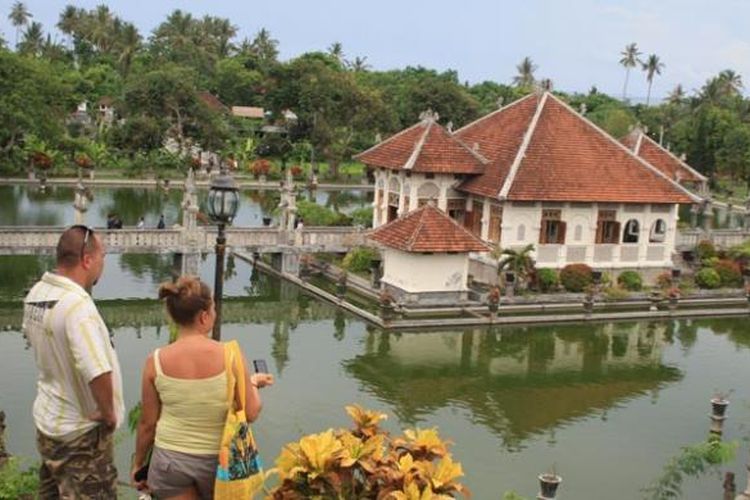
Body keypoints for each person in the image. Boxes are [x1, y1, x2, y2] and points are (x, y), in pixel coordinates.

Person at [132, 276, 273, 499]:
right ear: (204, 316)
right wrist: (253, 384)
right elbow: (252, 411)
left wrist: (138, 462)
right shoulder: (231, 355)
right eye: (214, 309)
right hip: (219, 463)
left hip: (170, 462)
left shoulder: (155, 360)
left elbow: (148, 423)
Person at [22, 225, 124, 498]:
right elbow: (97, 370)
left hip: (49, 424)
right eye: (103, 256)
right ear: (87, 260)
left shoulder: (36, 295)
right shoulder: (78, 307)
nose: (103, 263)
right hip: (80, 436)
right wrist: (108, 412)